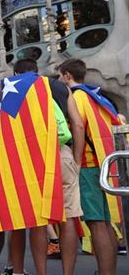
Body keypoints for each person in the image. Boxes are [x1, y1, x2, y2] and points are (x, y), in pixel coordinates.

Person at [7, 58, 85, 275]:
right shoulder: (58, 87)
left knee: (38, 220)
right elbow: (78, 124)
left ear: (16, 73)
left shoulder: (14, 90)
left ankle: (42, 273)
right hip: (62, 153)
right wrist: (76, 160)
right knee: (68, 218)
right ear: (37, 70)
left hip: (31, 159)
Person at [58, 58, 120, 275]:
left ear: (67, 76)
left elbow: (77, 127)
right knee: (105, 222)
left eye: (60, 76)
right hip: (104, 165)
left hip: (87, 166)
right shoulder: (96, 96)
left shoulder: (76, 97)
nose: (59, 81)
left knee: (96, 224)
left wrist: (75, 160)